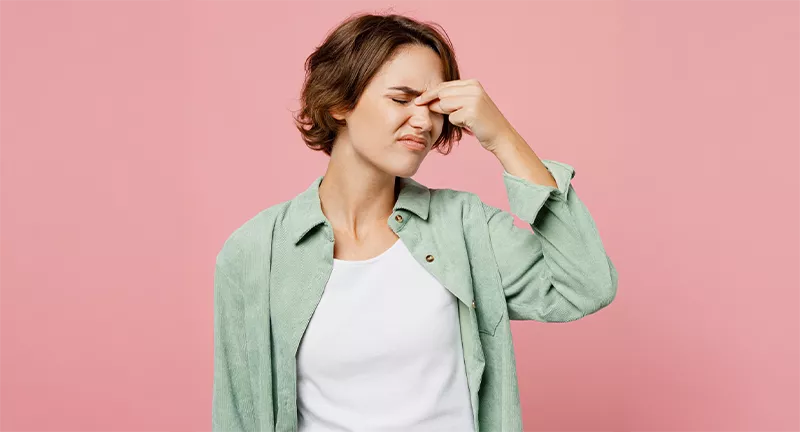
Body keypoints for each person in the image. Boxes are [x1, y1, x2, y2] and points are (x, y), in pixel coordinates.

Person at [212, 12, 618, 432]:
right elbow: (238, 414)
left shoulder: (463, 228)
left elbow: (586, 286)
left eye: (434, 107)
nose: (424, 122)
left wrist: (502, 137)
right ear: (339, 103)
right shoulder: (256, 252)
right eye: (401, 100)